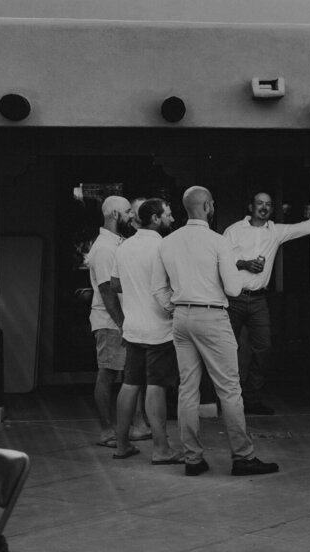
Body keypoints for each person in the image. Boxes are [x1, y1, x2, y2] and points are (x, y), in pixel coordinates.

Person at [157, 185, 279, 477]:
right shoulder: (217, 240)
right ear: (208, 206)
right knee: (230, 388)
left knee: (188, 389)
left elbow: (158, 288)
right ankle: (242, 456)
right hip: (211, 315)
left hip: (181, 317)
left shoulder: (168, 242)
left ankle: (192, 458)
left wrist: (176, 309)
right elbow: (234, 287)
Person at [222, 190, 310, 414]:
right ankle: (228, 401)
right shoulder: (233, 231)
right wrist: (244, 264)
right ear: (250, 206)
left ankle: (252, 400)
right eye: (259, 203)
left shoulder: (276, 231)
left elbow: (306, 226)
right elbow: (220, 262)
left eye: (268, 205)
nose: (263, 207)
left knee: (263, 348)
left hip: (259, 299)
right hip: (234, 298)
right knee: (226, 349)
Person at [110, 198, 180, 463]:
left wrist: (135, 286)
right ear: (155, 218)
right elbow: (172, 284)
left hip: (133, 326)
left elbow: (115, 284)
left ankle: (121, 445)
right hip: (159, 327)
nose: (172, 220)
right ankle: (161, 449)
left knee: (129, 385)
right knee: (156, 386)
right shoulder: (163, 247)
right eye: (168, 215)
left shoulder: (124, 246)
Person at [87, 195, 150, 448]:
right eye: (127, 212)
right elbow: (106, 289)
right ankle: (106, 431)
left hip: (121, 319)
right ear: (114, 215)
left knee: (129, 374)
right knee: (108, 373)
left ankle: (137, 425)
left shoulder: (117, 242)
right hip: (110, 321)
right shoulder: (104, 247)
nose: (131, 216)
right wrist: (123, 323)